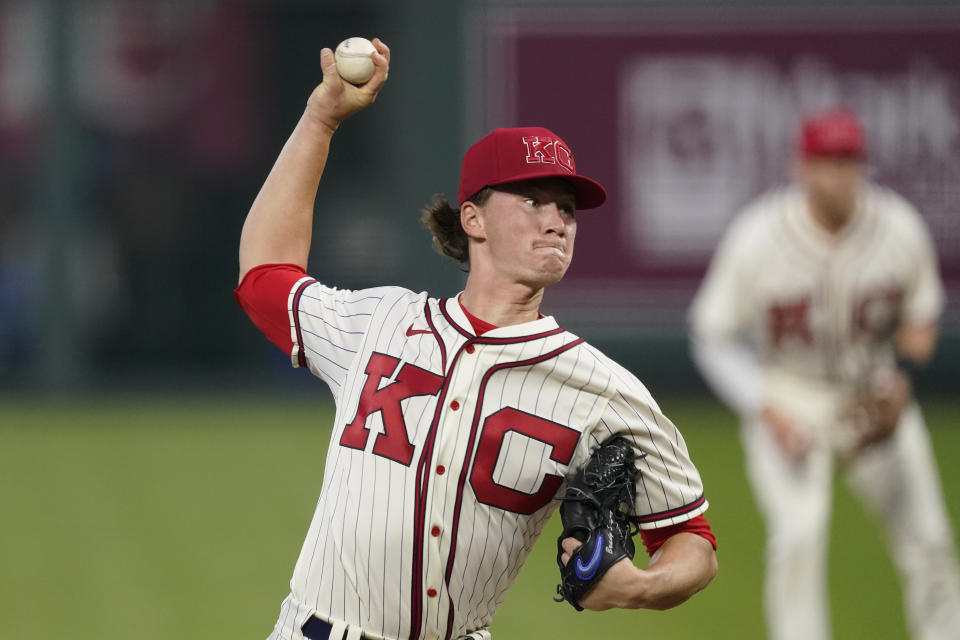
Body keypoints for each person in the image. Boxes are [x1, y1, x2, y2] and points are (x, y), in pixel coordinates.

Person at [235, 38, 717, 640]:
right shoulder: (379, 321)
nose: (555, 220)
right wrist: (320, 119)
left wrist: (644, 587)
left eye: (567, 209)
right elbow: (264, 280)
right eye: (532, 199)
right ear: (474, 219)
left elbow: (690, 539)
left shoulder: (605, 392)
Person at [689, 107, 960, 640]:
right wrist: (765, 407)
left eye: (849, 160)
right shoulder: (759, 235)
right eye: (827, 161)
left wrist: (899, 380)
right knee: (797, 536)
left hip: (873, 389)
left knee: (928, 538)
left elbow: (921, 315)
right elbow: (710, 333)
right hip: (791, 392)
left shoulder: (897, 226)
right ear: (801, 167)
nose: (839, 173)